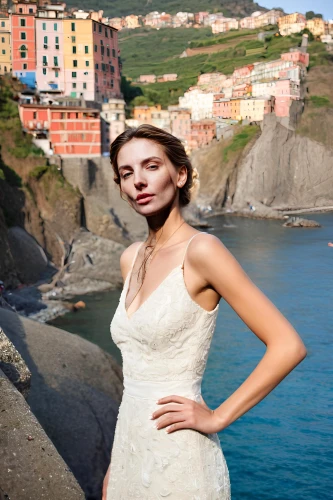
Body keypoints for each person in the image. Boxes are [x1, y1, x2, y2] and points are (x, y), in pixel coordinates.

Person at [103, 124, 307, 499]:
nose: (139, 182)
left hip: (180, 457)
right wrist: (117, 466)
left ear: (180, 175)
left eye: (151, 166)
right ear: (119, 186)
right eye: (127, 173)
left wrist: (218, 416)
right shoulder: (129, 259)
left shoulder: (203, 251)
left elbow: (287, 345)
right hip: (130, 452)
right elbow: (136, 381)